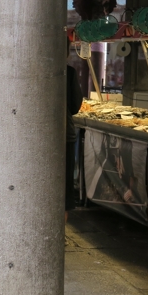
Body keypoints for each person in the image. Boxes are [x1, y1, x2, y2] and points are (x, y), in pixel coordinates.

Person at [66, 58, 84, 221]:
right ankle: (60, 229)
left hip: (35, 136)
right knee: (65, 186)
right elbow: (75, 106)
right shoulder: (68, 72)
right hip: (64, 135)